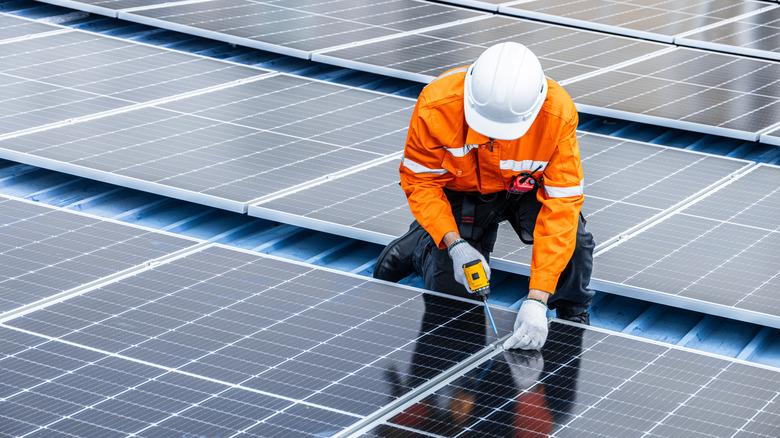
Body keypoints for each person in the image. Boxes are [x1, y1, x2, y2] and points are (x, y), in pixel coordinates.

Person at [373, 42, 595, 351]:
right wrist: (455, 243)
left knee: (577, 243)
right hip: (461, 192)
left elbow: (562, 206)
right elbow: (420, 182)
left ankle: (573, 316)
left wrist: (538, 298)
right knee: (454, 303)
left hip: (522, 191)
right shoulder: (437, 105)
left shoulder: (556, 113)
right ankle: (422, 245)